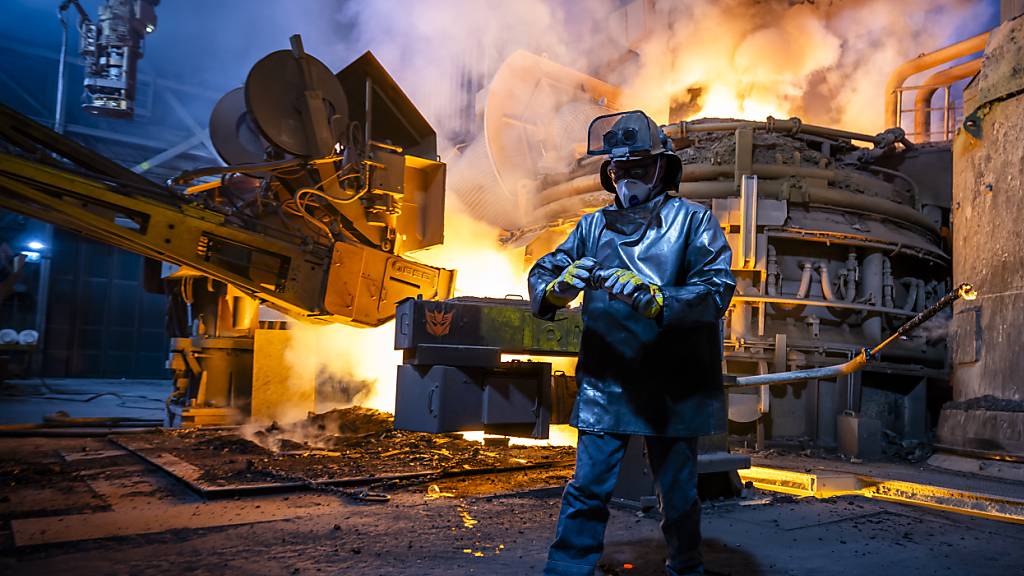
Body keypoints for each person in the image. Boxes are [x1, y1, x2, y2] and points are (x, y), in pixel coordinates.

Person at [528, 110, 736, 576]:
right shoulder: (591, 228)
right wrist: (557, 289)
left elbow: (716, 289)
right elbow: (543, 272)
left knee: (679, 494)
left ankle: (685, 568)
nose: (628, 180)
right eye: (620, 171)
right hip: (609, 379)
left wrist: (657, 298)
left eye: (638, 169)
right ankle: (566, 569)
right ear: (610, 174)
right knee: (587, 489)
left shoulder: (693, 223)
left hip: (674, 384)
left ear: (662, 167)